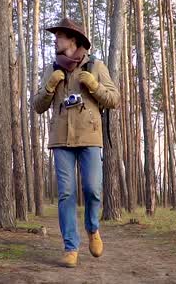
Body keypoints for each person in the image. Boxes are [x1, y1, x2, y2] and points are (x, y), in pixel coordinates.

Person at [32, 18, 120, 268]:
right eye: (56, 35)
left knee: (93, 189)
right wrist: (49, 87)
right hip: (60, 140)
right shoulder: (51, 69)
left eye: (59, 35)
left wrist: (93, 85)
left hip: (90, 138)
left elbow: (114, 99)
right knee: (66, 193)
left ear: (73, 40)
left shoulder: (95, 66)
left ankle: (93, 229)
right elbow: (38, 106)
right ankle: (71, 247)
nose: (55, 39)